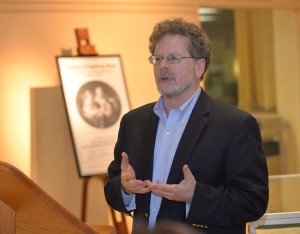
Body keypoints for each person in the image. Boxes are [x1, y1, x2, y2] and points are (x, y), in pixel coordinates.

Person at [104, 17, 269, 234]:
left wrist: (195, 196)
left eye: (173, 58)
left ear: (199, 67)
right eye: (158, 58)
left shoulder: (235, 125)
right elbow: (112, 186)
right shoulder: (133, 122)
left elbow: (252, 202)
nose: (163, 66)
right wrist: (125, 189)